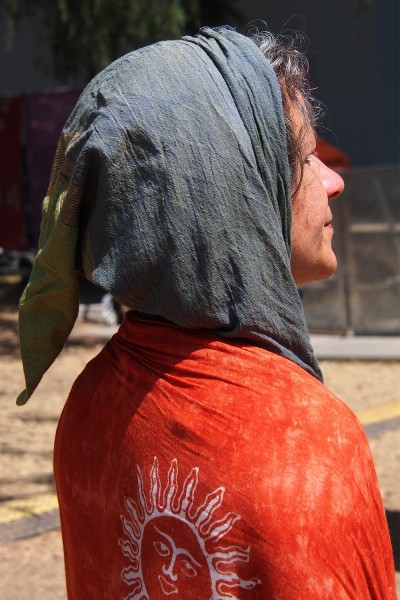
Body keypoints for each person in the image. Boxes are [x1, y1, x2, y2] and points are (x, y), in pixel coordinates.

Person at [17, 27, 395, 599]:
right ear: (229, 190)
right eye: (308, 158)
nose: (334, 181)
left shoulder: (88, 406)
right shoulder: (305, 445)